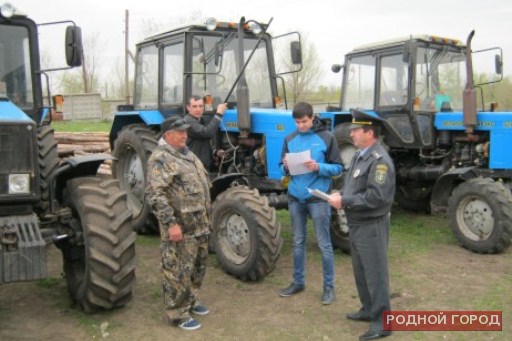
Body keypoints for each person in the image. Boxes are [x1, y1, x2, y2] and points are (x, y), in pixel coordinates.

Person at [328, 109, 395, 341]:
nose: (352, 134)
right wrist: (340, 194)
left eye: (356, 130)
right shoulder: (359, 155)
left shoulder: (380, 162)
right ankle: (368, 310)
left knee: (375, 274)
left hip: (371, 225)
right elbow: (354, 186)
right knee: (361, 271)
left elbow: (377, 198)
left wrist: (344, 200)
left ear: (370, 133)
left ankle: (382, 323)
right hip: (357, 224)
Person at [146, 116, 212, 331]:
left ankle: (191, 300)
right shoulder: (160, 158)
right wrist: (170, 224)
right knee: (177, 270)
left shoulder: (186, 153)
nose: (185, 134)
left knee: (196, 267)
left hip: (198, 225)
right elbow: (156, 194)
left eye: (186, 131)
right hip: (180, 227)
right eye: (180, 132)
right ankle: (177, 312)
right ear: (167, 135)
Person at [278, 102, 343, 304]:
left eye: (304, 121)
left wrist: (318, 167)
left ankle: (329, 288)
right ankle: (298, 282)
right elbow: (281, 167)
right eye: (297, 122)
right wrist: (285, 167)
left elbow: (339, 168)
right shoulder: (290, 139)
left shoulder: (326, 137)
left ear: (312, 117)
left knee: (324, 244)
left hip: (318, 199)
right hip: (295, 198)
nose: (301, 126)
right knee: (298, 242)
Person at [183, 95, 228, 170]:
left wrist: (215, 152)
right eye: (194, 106)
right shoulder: (188, 122)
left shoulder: (201, 120)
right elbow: (207, 133)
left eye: (200, 106)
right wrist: (219, 113)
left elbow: (202, 143)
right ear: (188, 107)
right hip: (193, 166)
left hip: (201, 165)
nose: (198, 109)